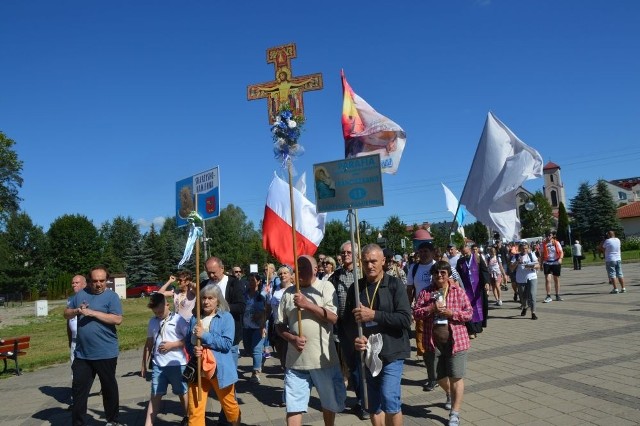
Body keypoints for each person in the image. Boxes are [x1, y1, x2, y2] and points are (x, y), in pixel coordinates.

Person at [344, 244, 412, 426]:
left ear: (383, 261)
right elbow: (348, 322)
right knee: (372, 404)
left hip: (392, 351)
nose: (370, 265)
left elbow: (405, 319)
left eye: (374, 261)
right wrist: (355, 339)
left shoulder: (394, 285)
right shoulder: (356, 288)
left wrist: (374, 315)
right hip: (367, 354)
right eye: (365, 262)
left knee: (390, 399)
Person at [276, 255, 346, 426]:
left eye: (304, 267)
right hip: (296, 363)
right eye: (297, 267)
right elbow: (278, 326)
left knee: (329, 404)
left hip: (323, 361)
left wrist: (307, 305)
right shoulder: (288, 293)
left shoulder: (325, 287)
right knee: (293, 407)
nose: (299, 271)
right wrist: (291, 338)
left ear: (315, 269)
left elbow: (333, 317)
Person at [413, 261, 473, 426]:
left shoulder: (458, 291)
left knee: (456, 377)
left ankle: (454, 413)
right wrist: (431, 309)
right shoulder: (426, 293)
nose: (439, 276)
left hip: (456, 341)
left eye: (443, 273)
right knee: (437, 377)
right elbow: (416, 313)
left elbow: (469, 313)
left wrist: (451, 313)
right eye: (436, 273)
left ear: (448, 275)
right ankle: (448, 393)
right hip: (433, 342)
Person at [64, 266, 125, 426]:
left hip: (106, 352)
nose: (98, 284)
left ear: (107, 281)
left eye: (102, 281)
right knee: (79, 392)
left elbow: (117, 319)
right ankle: (78, 423)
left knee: (108, 388)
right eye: (95, 281)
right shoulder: (81, 295)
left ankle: (113, 420)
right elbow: (66, 313)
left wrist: (92, 313)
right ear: (89, 281)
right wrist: (77, 310)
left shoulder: (112, 297)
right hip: (82, 354)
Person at [186, 284, 241, 426]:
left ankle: (236, 423)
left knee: (229, 407)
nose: (206, 301)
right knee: (195, 410)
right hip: (198, 369)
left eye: (210, 298)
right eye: (204, 298)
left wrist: (205, 336)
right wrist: (194, 349)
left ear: (218, 300)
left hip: (219, 369)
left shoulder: (226, 317)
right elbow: (188, 342)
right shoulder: (195, 318)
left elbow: (227, 344)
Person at [203, 257, 246, 426]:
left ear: (222, 268)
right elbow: (199, 306)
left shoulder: (234, 283)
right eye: (208, 272)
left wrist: (221, 307)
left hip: (229, 339)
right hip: (207, 341)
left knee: (226, 380)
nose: (211, 275)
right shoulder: (205, 283)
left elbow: (241, 306)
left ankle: (230, 416)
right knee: (209, 380)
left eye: (214, 272)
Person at [329, 241, 368, 420]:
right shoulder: (336, 276)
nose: (345, 255)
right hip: (344, 327)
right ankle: (362, 401)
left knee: (366, 365)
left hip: (364, 325)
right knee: (353, 366)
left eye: (348, 252)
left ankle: (369, 400)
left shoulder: (363, 273)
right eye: (343, 253)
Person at [141, 293, 189, 426]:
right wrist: (144, 364)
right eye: (155, 313)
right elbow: (149, 343)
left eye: (160, 312)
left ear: (167, 304)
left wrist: (173, 345)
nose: (158, 315)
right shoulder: (153, 321)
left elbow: (189, 340)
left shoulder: (178, 320)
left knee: (182, 392)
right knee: (155, 395)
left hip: (177, 364)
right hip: (158, 365)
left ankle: (188, 417)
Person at [456, 246, 490, 339]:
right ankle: (472, 330)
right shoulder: (460, 262)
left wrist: (487, 282)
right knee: (468, 308)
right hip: (466, 289)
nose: (465, 255)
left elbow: (484, 271)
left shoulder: (478, 259)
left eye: (466, 253)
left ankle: (478, 328)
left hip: (478, 288)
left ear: (470, 251)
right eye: (463, 253)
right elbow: (458, 276)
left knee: (479, 308)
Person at [66, 275, 87, 409]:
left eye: (77, 283)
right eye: (72, 283)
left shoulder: (89, 297)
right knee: (75, 371)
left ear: (84, 284)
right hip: (75, 341)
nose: (74, 285)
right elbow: (68, 320)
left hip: (89, 341)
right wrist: (69, 339)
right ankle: (76, 402)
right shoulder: (71, 300)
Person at [243, 272, 267, 383]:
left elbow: (267, 310)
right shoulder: (244, 294)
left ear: (258, 281)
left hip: (258, 327)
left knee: (256, 350)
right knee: (248, 349)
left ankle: (255, 373)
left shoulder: (262, 295)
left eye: (253, 280)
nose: (250, 282)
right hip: (246, 326)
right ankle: (259, 361)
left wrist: (262, 325)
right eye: (249, 280)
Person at [510, 241, 540, 320]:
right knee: (523, 297)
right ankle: (524, 307)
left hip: (532, 277)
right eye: (522, 248)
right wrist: (517, 262)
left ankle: (533, 313)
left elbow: (538, 265)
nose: (524, 250)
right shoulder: (516, 256)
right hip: (521, 279)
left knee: (532, 295)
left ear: (528, 248)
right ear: (519, 249)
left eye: (526, 248)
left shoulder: (531, 255)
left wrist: (531, 266)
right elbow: (511, 268)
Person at [541, 231, 564, 302]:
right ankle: (548, 296)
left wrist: (560, 258)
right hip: (547, 262)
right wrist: (541, 264)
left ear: (552, 236)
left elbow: (561, 252)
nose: (548, 237)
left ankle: (557, 295)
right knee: (548, 279)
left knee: (556, 279)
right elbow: (542, 255)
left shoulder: (556, 243)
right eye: (547, 235)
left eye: (549, 235)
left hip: (555, 262)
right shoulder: (543, 244)